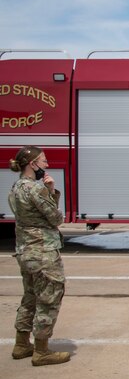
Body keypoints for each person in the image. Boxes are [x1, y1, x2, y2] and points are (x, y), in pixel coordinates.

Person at [7, 146, 70, 366]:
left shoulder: (16, 187)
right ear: (32, 164)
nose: (46, 164)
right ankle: (42, 350)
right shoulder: (35, 189)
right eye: (43, 161)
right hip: (42, 251)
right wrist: (51, 191)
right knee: (49, 296)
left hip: (25, 250)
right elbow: (55, 218)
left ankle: (21, 343)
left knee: (30, 296)